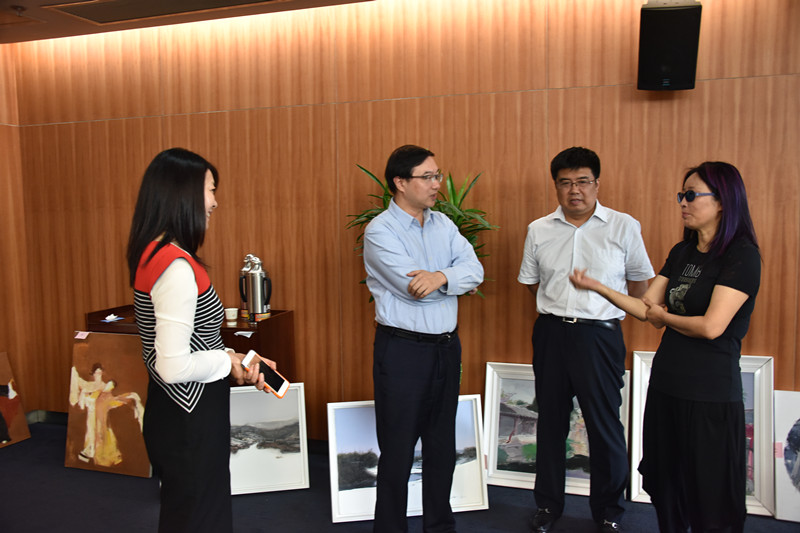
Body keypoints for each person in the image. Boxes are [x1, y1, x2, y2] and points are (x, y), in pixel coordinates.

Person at [570, 161, 761, 533]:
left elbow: (711, 327)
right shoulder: (682, 252)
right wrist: (598, 287)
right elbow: (647, 308)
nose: (683, 203)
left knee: (710, 497)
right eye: (681, 195)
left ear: (723, 200)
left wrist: (664, 317)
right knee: (666, 485)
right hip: (666, 386)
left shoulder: (741, 255)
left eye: (691, 195)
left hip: (709, 395)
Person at [127, 148, 271, 533]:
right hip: (189, 416)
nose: (214, 202)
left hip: (174, 411)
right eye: (210, 189)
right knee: (200, 516)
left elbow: (190, 343)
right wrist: (229, 362)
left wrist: (233, 356)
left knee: (189, 513)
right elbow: (173, 366)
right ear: (183, 193)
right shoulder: (175, 266)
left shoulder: (155, 253)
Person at [518, 147, 655, 533]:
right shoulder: (538, 229)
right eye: (565, 183)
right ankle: (548, 506)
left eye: (582, 181)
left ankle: (608, 510)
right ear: (556, 187)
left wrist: (597, 307)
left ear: (596, 183)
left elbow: (639, 283)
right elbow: (531, 283)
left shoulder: (623, 226)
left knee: (603, 425)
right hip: (551, 334)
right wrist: (561, 307)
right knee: (551, 423)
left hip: (599, 336)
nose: (574, 190)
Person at [363, 144, 484, 533]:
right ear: (400, 182)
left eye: (437, 175)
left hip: (446, 348)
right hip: (403, 351)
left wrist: (442, 276)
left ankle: (439, 526)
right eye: (428, 177)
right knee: (398, 450)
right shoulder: (380, 230)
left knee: (441, 447)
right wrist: (448, 279)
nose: (437, 184)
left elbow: (475, 270)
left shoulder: (444, 224)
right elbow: (412, 288)